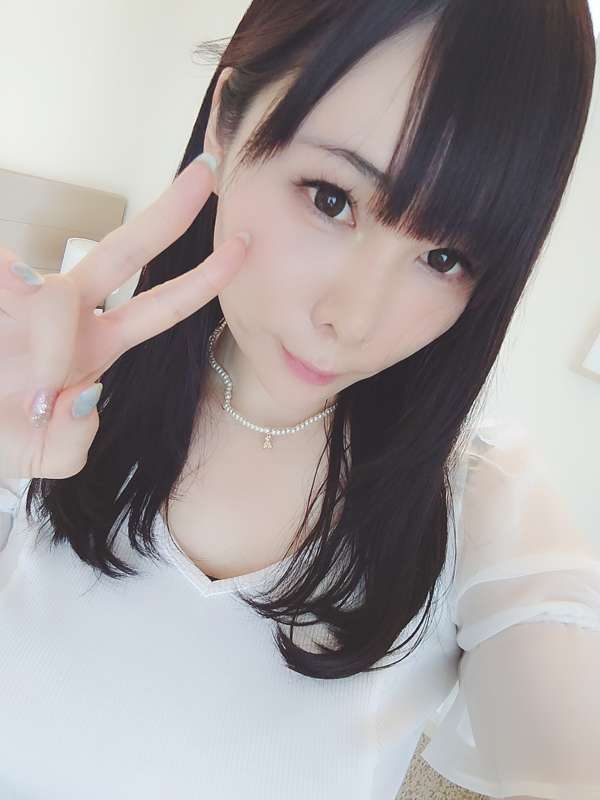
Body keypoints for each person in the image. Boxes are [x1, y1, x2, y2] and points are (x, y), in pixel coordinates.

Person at [1, 2, 599, 798]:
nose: (353, 320)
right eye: (330, 198)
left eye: (445, 256)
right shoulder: (43, 394)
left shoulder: (480, 505)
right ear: (227, 124)